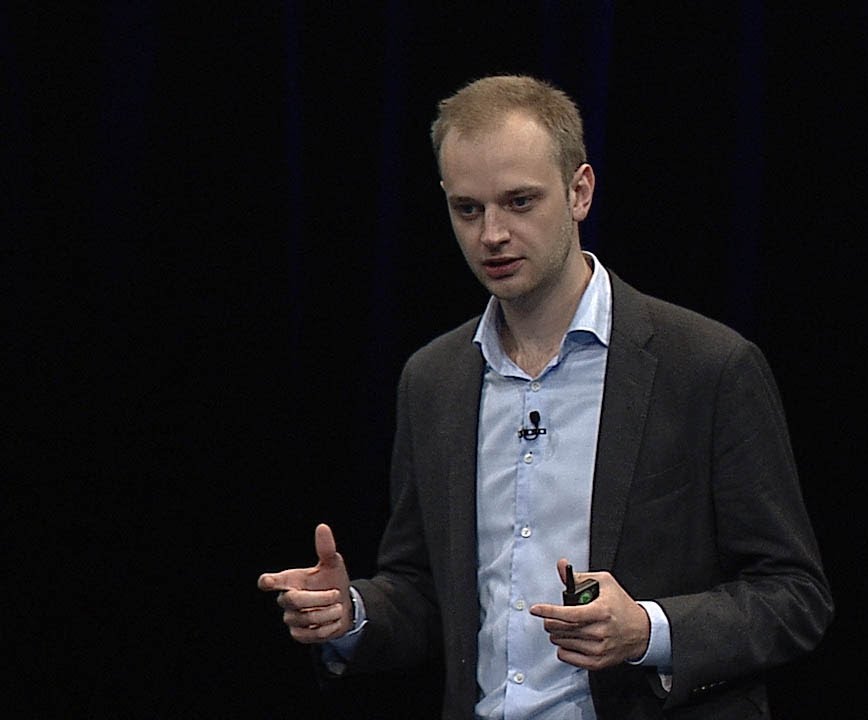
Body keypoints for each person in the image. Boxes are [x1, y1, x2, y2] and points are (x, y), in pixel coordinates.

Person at [258, 74, 833, 719]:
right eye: (467, 209)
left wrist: (649, 630)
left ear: (580, 191)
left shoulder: (707, 366)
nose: (492, 234)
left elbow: (794, 596)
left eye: (519, 202)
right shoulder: (434, 379)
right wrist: (352, 612)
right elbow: (427, 591)